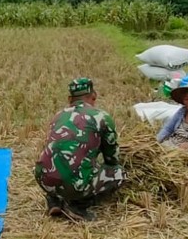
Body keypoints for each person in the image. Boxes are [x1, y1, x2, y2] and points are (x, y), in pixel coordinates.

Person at [34, 78, 124, 221]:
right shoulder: (102, 117)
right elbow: (112, 158)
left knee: (59, 163)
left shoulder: (58, 116)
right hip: (74, 185)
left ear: (70, 99)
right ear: (94, 96)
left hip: (43, 179)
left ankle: (54, 199)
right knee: (118, 173)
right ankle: (78, 206)